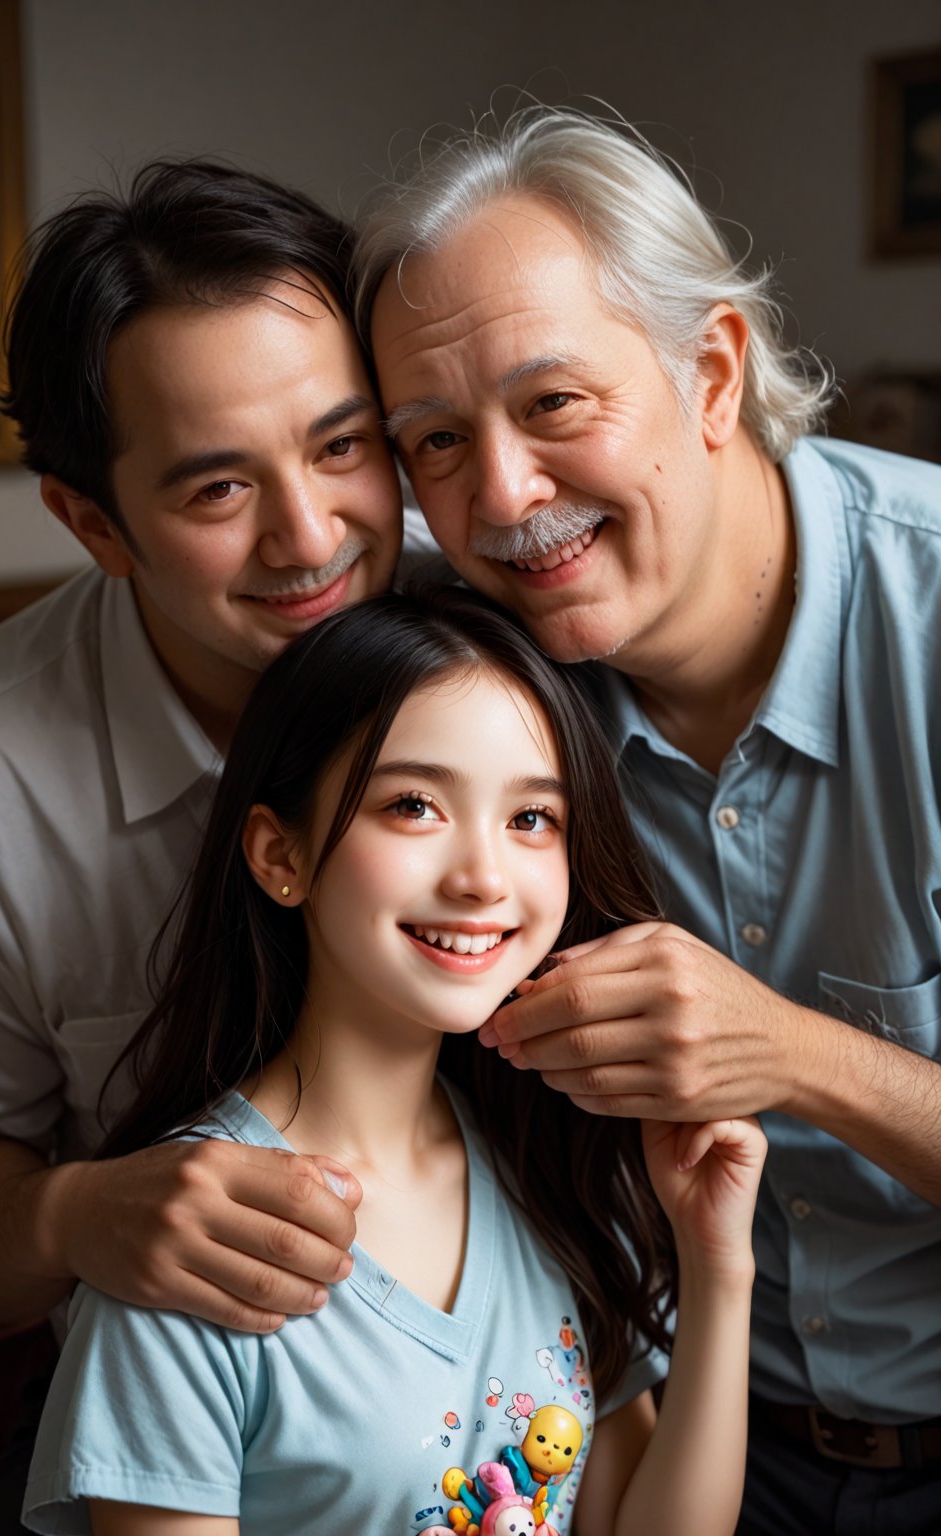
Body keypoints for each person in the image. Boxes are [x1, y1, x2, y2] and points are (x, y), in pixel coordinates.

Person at [351, 107, 941, 1535]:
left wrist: (794, 1058)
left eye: (556, 407)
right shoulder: (475, 679)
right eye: (436, 441)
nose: (502, 498)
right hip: (684, 1447)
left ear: (713, 371)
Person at [21, 586, 766, 1534]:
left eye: (531, 819)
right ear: (277, 854)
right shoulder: (192, 1246)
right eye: (414, 805)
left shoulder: (551, 1167)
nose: (484, 877)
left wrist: (717, 1262)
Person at [0, 159, 414, 1526]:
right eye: (219, 492)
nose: (315, 534)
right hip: (169, 1418)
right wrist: (74, 1218)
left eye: (344, 446)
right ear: (93, 523)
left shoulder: (501, 628)